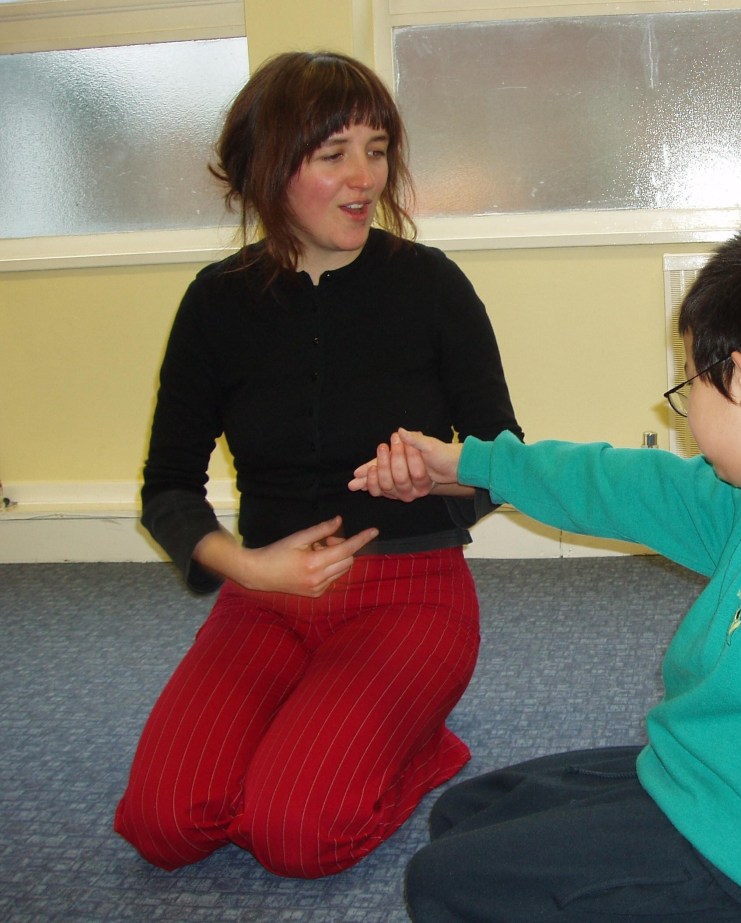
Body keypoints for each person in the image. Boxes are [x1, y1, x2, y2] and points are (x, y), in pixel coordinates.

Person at [350, 217, 741, 921]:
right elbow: (620, 485)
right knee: (465, 812)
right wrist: (470, 463)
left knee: (442, 882)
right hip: (697, 774)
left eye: (691, 387)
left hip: (739, 858)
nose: (686, 414)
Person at [113, 50, 523, 879]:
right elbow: (168, 486)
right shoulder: (216, 302)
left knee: (293, 835)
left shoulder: (431, 286)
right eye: (334, 154)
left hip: (409, 594)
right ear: (269, 168)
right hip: (264, 597)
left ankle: (422, 745)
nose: (365, 177)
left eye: (377, 150)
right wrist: (248, 566)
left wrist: (439, 474)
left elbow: (505, 457)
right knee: (164, 825)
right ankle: (313, 724)